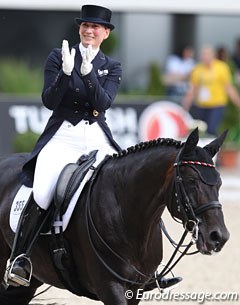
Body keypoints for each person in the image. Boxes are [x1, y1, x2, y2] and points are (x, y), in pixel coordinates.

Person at [5, 4, 181, 291]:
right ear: (79, 28)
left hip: (96, 136)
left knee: (132, 186)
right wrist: (65, 73)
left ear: (106, 33)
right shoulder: (57, 56)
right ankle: (21, 257)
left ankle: (149, 266)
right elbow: (50, 101)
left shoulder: (112, 67)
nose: (89, 30)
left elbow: (102, 103)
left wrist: (87, 73)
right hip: (62, 135)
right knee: (44, 189)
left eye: (96, 27)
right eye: (85, 25)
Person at [183, 46, 240, 135]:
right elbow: (192, 89)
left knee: (211, 129)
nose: (205, 56)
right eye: (203, 54)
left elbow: (228, 87)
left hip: (217, 104)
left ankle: (211, 148)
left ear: (213, 55)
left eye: (208, 54)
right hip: (201, 105)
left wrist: (237, 102)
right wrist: (185, 105)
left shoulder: (221, 67)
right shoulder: (197, 69)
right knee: (200, 130)